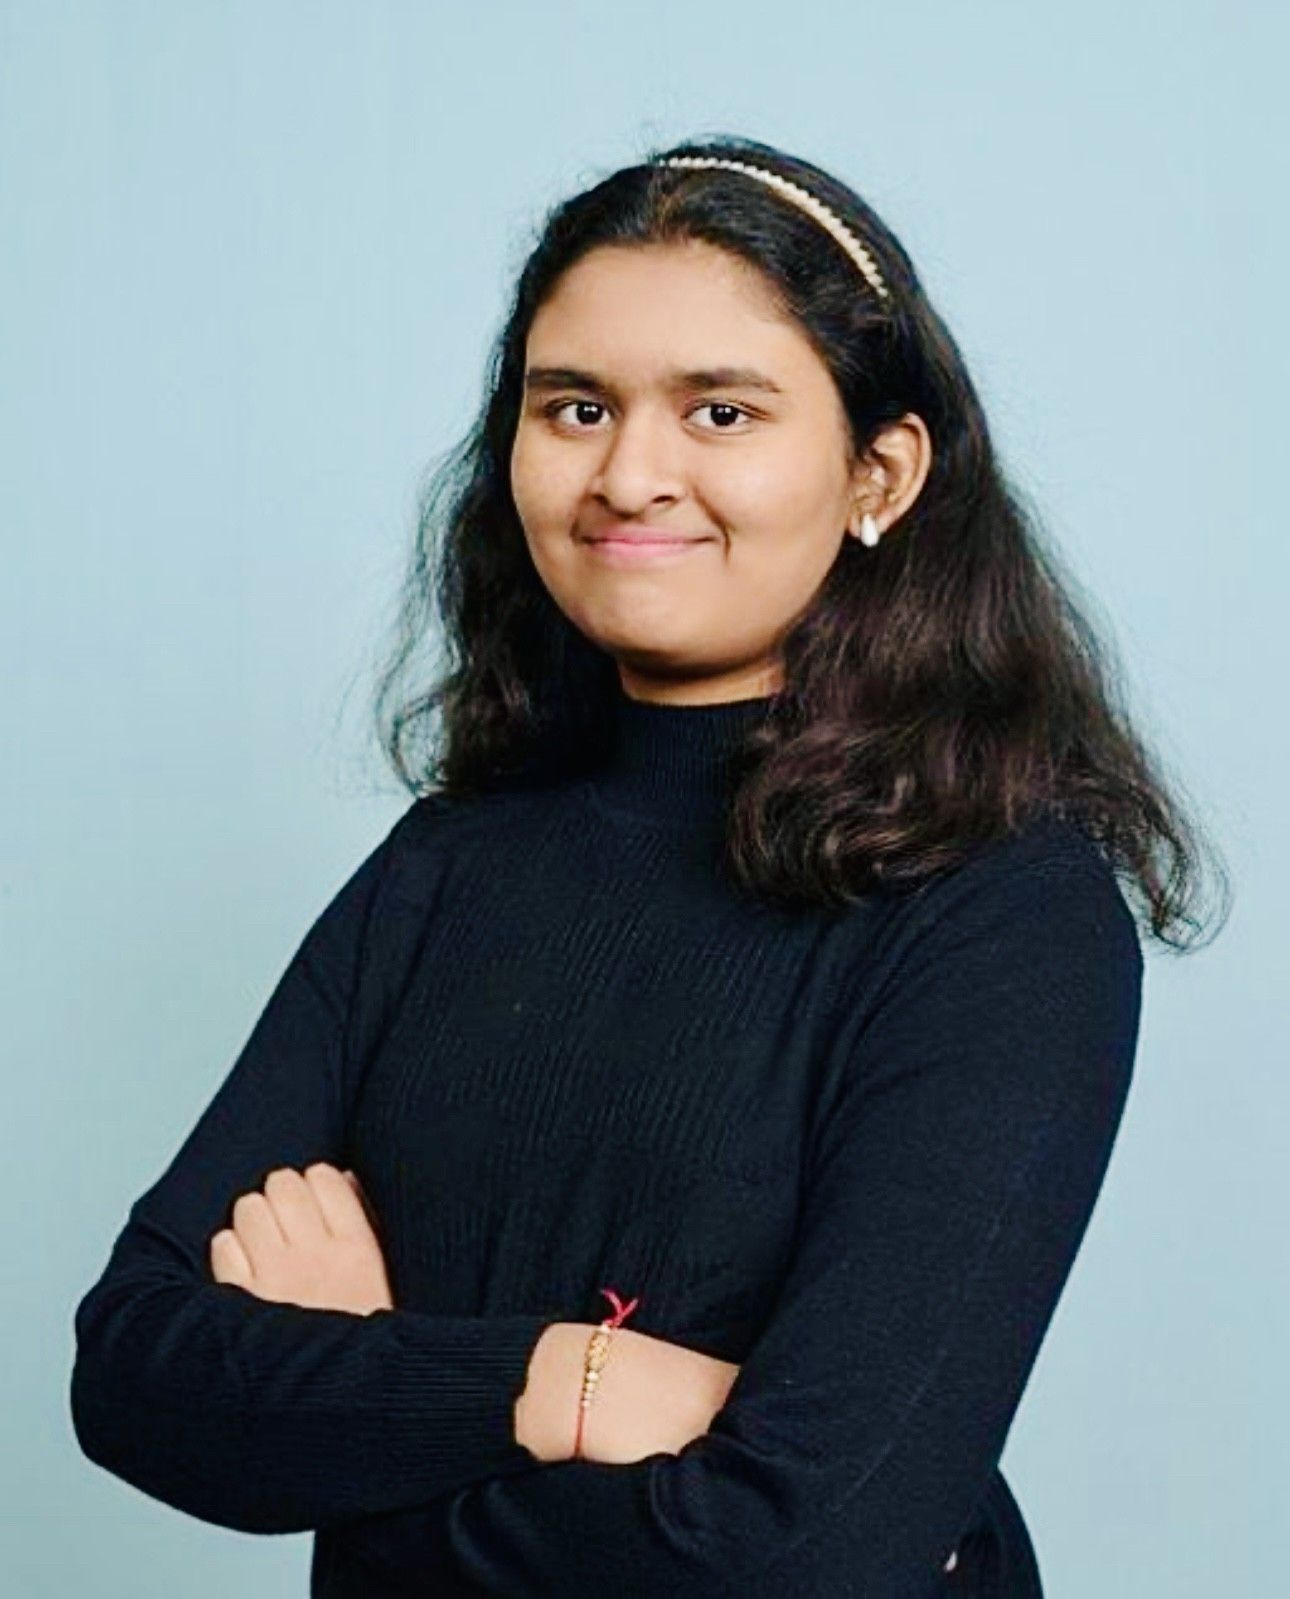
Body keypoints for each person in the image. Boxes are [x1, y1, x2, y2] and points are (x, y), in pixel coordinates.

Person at [69, 134, 1228, 1597]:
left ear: (880, 471)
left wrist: (366, 1406)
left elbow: (798, 1552)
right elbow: (131, 1377)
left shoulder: (999, 908)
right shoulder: (447, 865)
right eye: (576, 407)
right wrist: (562, 1384)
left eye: (721, 412)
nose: (630, 474)